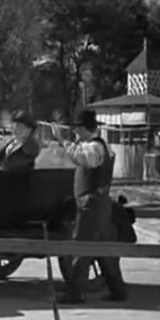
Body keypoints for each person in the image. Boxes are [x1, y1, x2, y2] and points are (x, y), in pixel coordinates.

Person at [51, 109, 128, 303]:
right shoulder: (99, 145)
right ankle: (118, 291)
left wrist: (64, 141)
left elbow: (83, 158)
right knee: (106, 252)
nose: (75, 132)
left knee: (80, 249)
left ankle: (75, 294)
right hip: (99, 204)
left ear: (84, 128)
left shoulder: (94, 147)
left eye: (77, 128)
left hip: (90, 205)